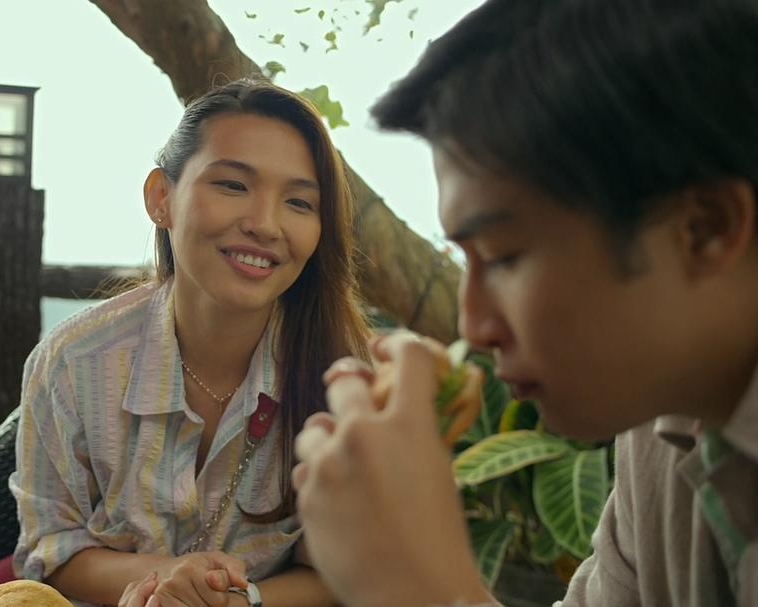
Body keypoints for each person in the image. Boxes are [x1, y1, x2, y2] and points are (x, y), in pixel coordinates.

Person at [292, 0, 758, 605]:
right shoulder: (662, 427)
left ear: (705, 229)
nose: (474, 325)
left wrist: (410, 586)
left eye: (505, 255)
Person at [9, 78, 371, 607]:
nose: (265, 225)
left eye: (298, 202)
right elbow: (50, 550)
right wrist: (174, 579)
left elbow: (347, 572)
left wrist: (236, 602)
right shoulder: (73, 363)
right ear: (162, 198)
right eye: (233, 185)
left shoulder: (347, 379)